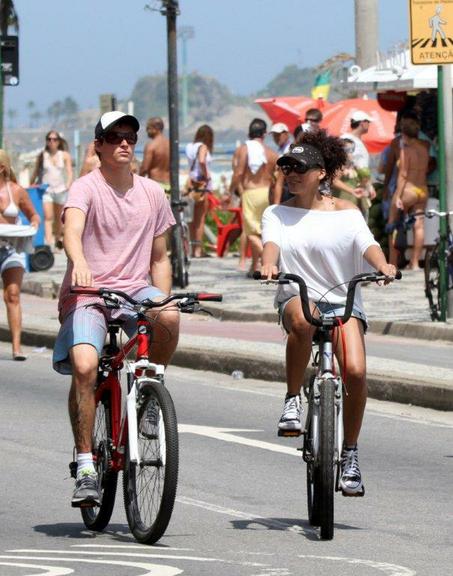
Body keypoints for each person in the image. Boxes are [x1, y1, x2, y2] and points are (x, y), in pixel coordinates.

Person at [260, 129, 397, 496]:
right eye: (285, 167)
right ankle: (292, 399)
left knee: (354, 371)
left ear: (321, 173)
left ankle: (350, 453)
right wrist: (269, 265)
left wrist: (383, 266)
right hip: (298, 295)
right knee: (303, 322)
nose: (290, 174)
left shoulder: (348, 213)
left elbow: (368, 245)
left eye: (299, 168)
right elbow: (270, 246)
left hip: (343, 300)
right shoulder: (277, 213)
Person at [52, 111, 179, 507]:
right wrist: (82, 263)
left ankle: (148, 395)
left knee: (170, 317)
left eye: (131, 136)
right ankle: (87, 464)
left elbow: (160, 258)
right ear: (99, 146)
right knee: (87, 367)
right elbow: (71, 229)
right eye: (115, 136)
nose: (125, 142)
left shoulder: (152, 193)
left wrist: (164, 298)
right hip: (88, 293)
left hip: (134, 289)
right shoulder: (85, 188)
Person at [0, 150, 40, 360]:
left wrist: (34, 224)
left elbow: (33, 214)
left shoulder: (16, 191)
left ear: (2, 168)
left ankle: (17, 347)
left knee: (12, 295)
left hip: (11, 249)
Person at [229, 118, 278, 273]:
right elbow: (276, 177)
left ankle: (271, 261)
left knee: (250, 233)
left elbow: (238, 173)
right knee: (262, 230)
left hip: (250, 192)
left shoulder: (243, 149)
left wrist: (230, 191)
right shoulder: (271, 153)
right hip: (266, 193)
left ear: (249, 132)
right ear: (265, 133)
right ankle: (254, 267)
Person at [387, 113, 429, 270]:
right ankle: (415, 263)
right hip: (422, 190)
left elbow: (403, 176)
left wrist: (397, 196)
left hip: (409, 190)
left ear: (404, 134)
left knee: (392, 225)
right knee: (419, 226)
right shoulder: (424, 148)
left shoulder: (406, 151)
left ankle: (392, 263)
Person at [31, 130, 73, 249]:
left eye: (54, 139)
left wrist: (68, 184)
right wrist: (32, 183)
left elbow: (69, 171)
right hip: (46, 189)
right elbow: (36, 171)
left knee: (59, 218)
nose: (51, 141)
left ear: (58, 141)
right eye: (49, 139)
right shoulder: (42, 155)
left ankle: (57, 239)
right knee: (48, 217)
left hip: (61, 189)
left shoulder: (64, 155)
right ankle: (49, 244)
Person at [185, 124, 214, 258]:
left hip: (191, 185)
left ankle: (190, 248)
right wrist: (207, 175)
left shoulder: (189, 147)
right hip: (201, 185)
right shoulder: (203, 146)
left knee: (190, 219)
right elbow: (202, 161)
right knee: (200, 219)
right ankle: (198, 250)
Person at [140, 117, 171, 193]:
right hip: (169, 185)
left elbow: (144, 168)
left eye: (148, 128)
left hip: (155, 184)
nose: (147, 131)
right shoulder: (170, 144)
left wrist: (137, 182)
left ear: (155, 128)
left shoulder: (151, 145)